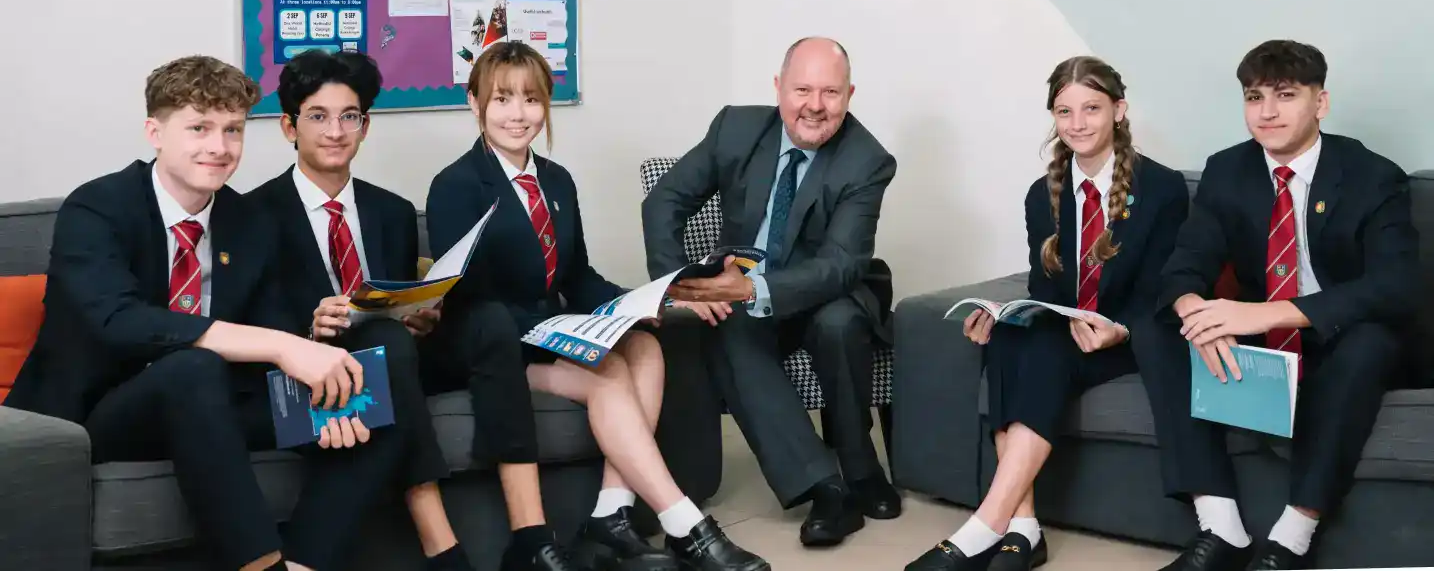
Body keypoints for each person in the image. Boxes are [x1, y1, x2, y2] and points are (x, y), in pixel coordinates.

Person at [3, 55, 405, 571]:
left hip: (216, 407)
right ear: (155, 132)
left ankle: (304, 563)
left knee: (369, 404)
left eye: (232, 130)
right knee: (192, 367)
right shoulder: (97, 208)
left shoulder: (249, 219)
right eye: (199, 127)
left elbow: (273, 324)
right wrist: (288, 347)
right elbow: (118, 321)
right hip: (101, 414)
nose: (218, 147)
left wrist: (318, 396)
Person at [425, 41, 768, 571]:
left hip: (550, 328)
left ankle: (612, 511)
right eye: (502, 100)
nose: (519, 115)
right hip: (493, 344)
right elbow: (467, 300)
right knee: (607, 371)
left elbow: (578, 275)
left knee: (647, 346)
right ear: (475, 104)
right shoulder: (455, 186)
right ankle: (685, 522)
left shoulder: (557, 180)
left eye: (532, 100)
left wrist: (638, 303)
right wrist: (564, 330)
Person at [1140, 40, 1420, 571]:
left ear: (1322, 102)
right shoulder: (1228, 170)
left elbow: (1397, 285)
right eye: (1254, 97)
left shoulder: (1371, 174)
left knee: (1371, 339)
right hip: (1263, 341)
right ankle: (1220, 526)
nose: (1266, 112)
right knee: (1158, 326)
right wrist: (1198, 311)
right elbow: (1183, 265)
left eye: (1285, 95)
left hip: (1340, 336)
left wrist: (1269, 312)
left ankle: (1293, 535)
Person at [904, 56, 1190, 570]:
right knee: (1011, 337)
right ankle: (1024, 526)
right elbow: (1042, 287)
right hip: (1067, 332)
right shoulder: (1043, 195)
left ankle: (985, 525)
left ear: (1119, 111)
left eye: (1091, 109)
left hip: (1127, 338)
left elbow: (1164, 292)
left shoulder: (1164, 189)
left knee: (1043, 347)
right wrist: (1002, 312)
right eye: (1064, 111)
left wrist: (1115, 330)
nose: (1077, 124)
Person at [642, 37, 900, 549]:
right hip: (741, 294)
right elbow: (664, 200)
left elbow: (841, 263)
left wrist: (756, 286)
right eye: (802, 88)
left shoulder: (867, 160)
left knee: (839, 324)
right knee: (724, 326)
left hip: (826, 289)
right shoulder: (736, 127)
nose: (815, 105)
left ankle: (859, 464)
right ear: (778, 87)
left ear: (850, 95)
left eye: (830, 92)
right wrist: (676, 287)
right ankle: (826, 488)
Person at [247, 50, 472, 569]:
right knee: (390, 350)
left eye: (350, 116)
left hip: (386, 362)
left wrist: (421, 318)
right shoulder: (252, 215)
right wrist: (310, 327)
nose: (335, 131)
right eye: (318, 117)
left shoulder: (391, 211)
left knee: (396, 342)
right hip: (302, 378)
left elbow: (393, 305)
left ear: (365, 126)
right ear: (288, 126)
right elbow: (248, 322)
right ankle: (439, 539)